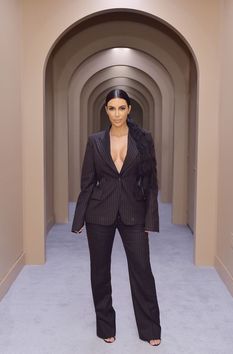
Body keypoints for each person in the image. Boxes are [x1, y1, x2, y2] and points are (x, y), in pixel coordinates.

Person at [71, 89, 161, 346]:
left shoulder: (144, 139)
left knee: (142, 270)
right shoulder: (95, 141)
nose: (117, 113)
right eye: (112, 108)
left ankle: (150, 328)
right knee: (99, 272)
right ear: (106, 110)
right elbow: (87, 182)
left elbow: (152, 182)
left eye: (122, 108)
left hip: (134, 213)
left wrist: (150, 221)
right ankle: (105, 326)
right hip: (99, 213)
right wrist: (79, 220)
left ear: (129, 109)